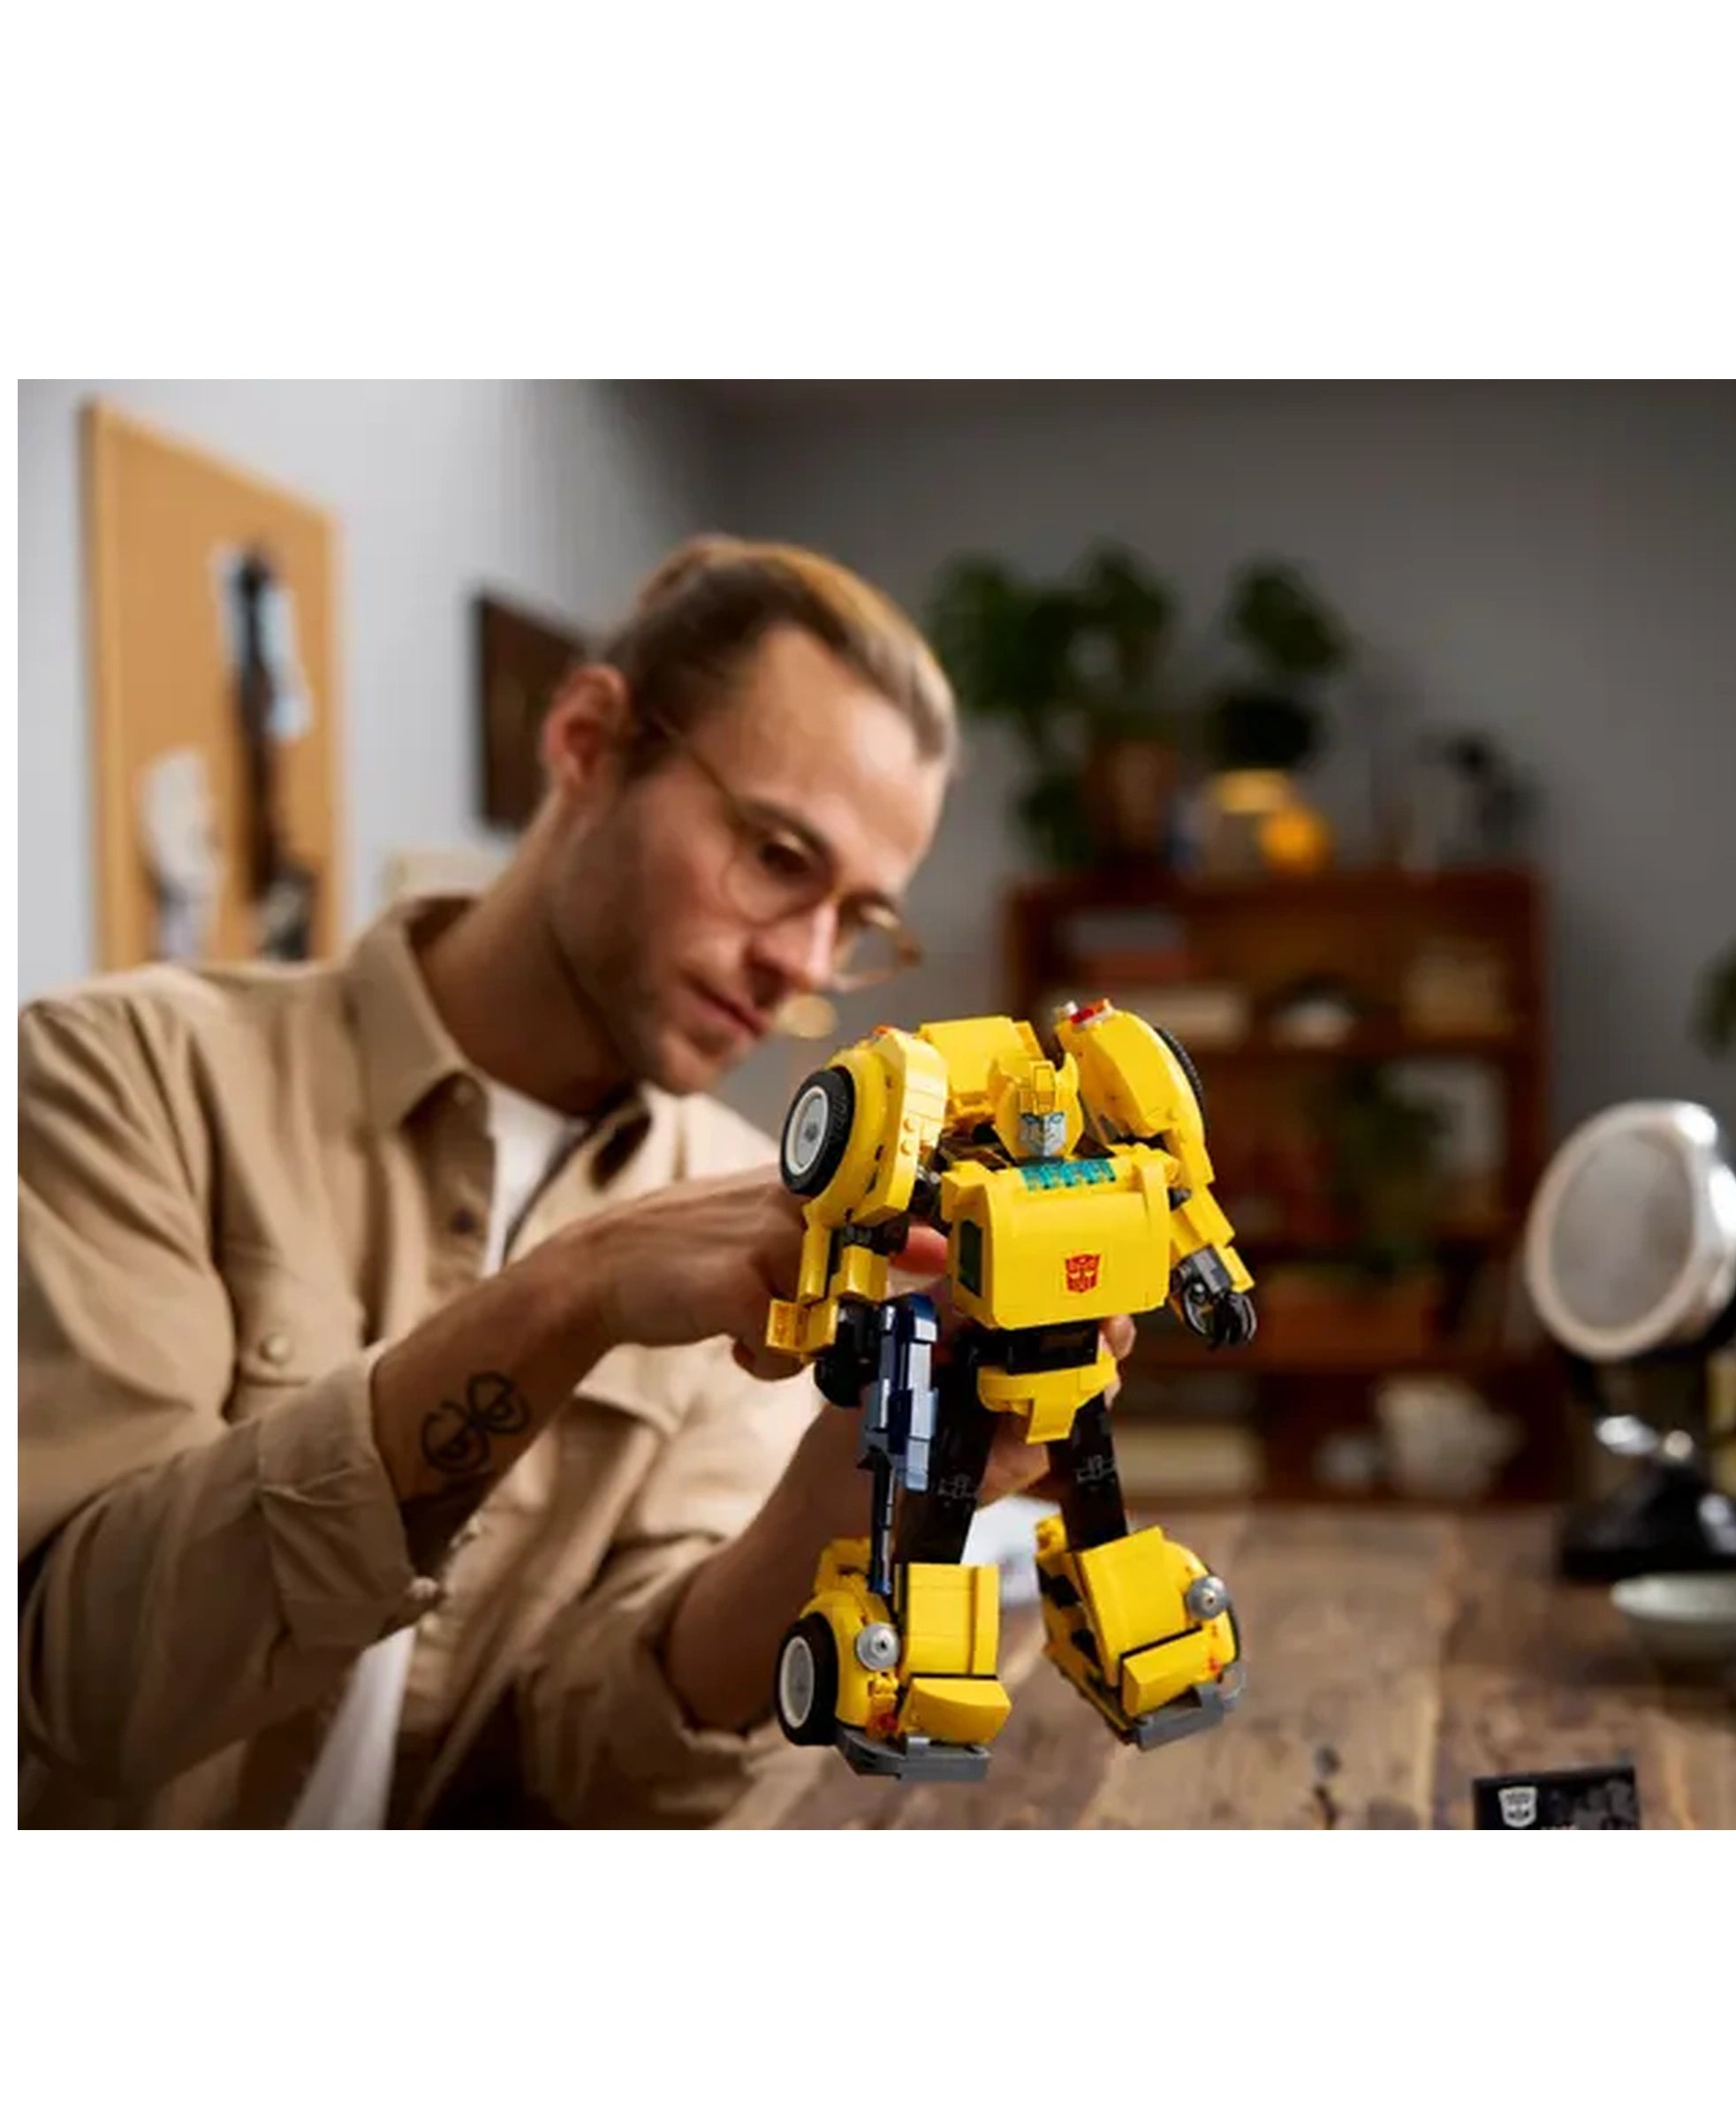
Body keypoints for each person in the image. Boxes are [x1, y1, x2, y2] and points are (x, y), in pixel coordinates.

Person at [18, 536, 1130, 1827]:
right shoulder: (127, 1077)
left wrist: (850, 1487)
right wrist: (566, 1296)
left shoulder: (763, 1207)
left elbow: (596, 1772)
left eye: (857, 918)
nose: (806, 967)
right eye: (779, 858)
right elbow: (78, 1686)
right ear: (589, 740)